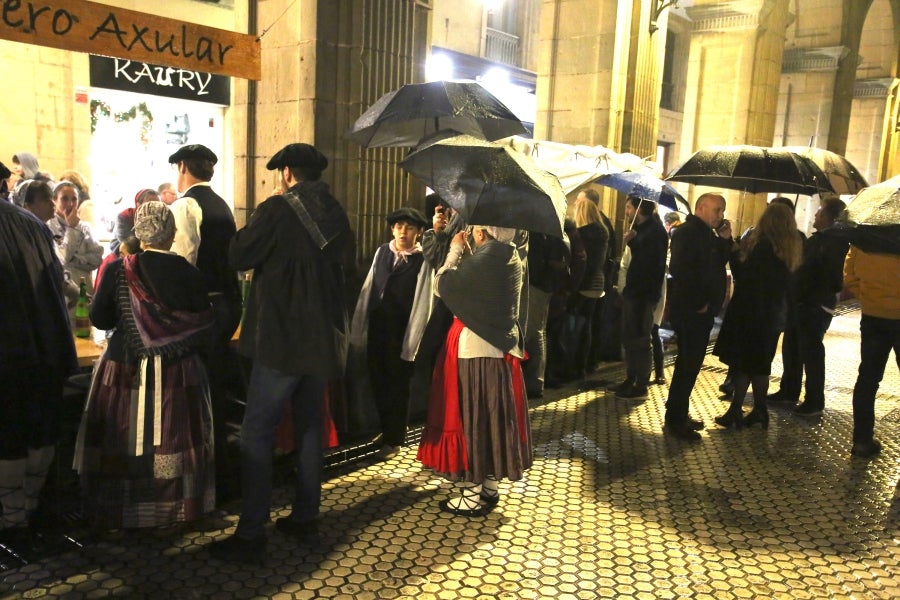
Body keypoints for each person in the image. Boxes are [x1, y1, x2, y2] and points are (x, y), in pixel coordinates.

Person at [210, 143, 352, 564]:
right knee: (309, 428)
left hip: (281, 342)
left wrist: (258, 216)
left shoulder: (277, 209)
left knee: (257, 432)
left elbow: (239, 254)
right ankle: (305, 516)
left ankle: (251, 532)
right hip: (321, 342)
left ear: (287, 172)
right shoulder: (337, 214)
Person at [73, 201, 215, 529]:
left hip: (126, 369)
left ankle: (120, 513)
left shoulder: (118, 269)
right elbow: (203, 321)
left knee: (123, 438)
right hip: (178, 372)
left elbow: (100, 317)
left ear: (140, 232)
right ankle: (176, 511)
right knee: (174, 439)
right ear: (172, 233)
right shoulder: (190, 273)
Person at [417, 224, 531, 517]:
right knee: (491, 418)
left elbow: (441, 285)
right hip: (498, 351)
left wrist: (455, 250)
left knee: (472, 419)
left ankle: (472, 491)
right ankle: (489, 485)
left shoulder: (486, 258)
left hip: (474, 351)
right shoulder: (511, 256)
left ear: (482, 233)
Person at [0, 198, 77, 551]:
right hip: (44, 350)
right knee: (38, 431)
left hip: (8, 354)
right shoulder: (32, 223)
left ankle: (13, 521)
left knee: (9, 435)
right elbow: (60, 287)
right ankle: (29, 513)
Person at [167, 144, 242, 500]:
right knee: (217, 386)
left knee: (199, 392)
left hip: (204, 311)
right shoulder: (222, 205)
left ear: (182, 167)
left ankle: (205, 477)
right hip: (228, 305)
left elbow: (181, 265)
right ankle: (224, 471)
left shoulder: (185, 205)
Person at [348, 207, 431, 459]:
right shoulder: (383, 252)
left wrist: (412, 343)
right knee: (378, 379)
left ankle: (395, 439)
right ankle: (388, 428)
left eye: (408, 227)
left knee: (398, 384)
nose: (402, 232)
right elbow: (368, 289)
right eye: (398, 227)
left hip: (402, 331)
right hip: (379, 327)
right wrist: (358, 329)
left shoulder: (422, 260)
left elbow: (423, 303)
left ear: (418, 232)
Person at [713, 203, 803, 430]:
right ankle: (754, 410)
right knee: (759, 364)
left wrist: (734, 252)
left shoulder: (764, 247)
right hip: (772, 315)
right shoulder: (790, 247)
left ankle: (742, 411)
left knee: (746, 364)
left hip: (752, 313)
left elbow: (746, 278)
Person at [767, 197, 850, 416]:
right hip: (801, 301)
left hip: (813, 304)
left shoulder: (832, 242)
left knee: (810, 353)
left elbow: (830, 277)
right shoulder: (820, 240)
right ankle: (789, 390)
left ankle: (814, 399)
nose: (815, 215)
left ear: (830, 217)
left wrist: (809, 289)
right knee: (792, 347)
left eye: (820, 212)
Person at [663, 193, 733, 440]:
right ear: (701, 207)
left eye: (722, 210)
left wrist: (725, 241)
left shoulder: (707, 234)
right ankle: (675, 418)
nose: (720, 215)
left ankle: (678, 412)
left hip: (701, 310)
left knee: (691, 365)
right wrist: (699, 303)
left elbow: (715, 265)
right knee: (687, 364)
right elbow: (681, 269)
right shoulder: (687, 232)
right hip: (692, 311)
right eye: (717, 210)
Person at [843, 241, 900, 458]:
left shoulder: (866, 237)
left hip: (873, 317)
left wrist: (868, 297)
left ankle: (862, 441)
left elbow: (850, 275)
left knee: (867, 379)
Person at [608, 196, 668, 399]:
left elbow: (651, 264)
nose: (626, 212)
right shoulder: (641, 230)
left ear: (639, 209)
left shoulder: (656, 232)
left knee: (641, 338)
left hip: (644, 294)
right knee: (629, 337)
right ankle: (630, 377)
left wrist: (635, 242)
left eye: (628, 207)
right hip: (633, 291)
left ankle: (641, 383)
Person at [566, 196, 610, 380]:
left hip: (584, 282)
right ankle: (587, 363)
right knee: (589, 324)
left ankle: (574, 365)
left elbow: (579, 261)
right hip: (598, 282)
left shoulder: (581, 234)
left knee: (577, 326)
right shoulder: (604, 232)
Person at [46, 180, 104, 291]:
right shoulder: (48, 226)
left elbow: (97, 258)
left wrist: (73, 261)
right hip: (62, 289)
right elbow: (62, 258)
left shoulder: (85, 227)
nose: (70, 204)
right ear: (54, 200)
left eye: (74, 199)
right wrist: (71, 228)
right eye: (64, 199)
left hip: (83, 286)